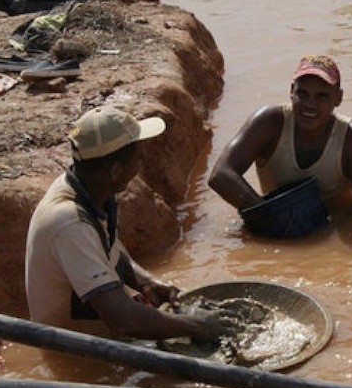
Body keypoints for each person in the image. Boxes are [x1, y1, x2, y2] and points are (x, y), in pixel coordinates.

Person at [25, 105, 243, 340]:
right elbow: (124, 320)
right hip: (74, 344)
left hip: (93, 318)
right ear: (116, 169)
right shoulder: (70, 223)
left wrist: (146, 281)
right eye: (138, 157)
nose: (141, 163)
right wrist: (199, 327)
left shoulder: (88, 188)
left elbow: (110, 248)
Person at [208, 54, 352, 217]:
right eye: (303, 93)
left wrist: (330, 238)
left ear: (338, 98)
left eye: (322, 96)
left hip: (333, 220)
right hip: (277, 218)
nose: (309, 105)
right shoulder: (270, 123)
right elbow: (220, 174)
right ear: (292, 91)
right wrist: (268, 215)